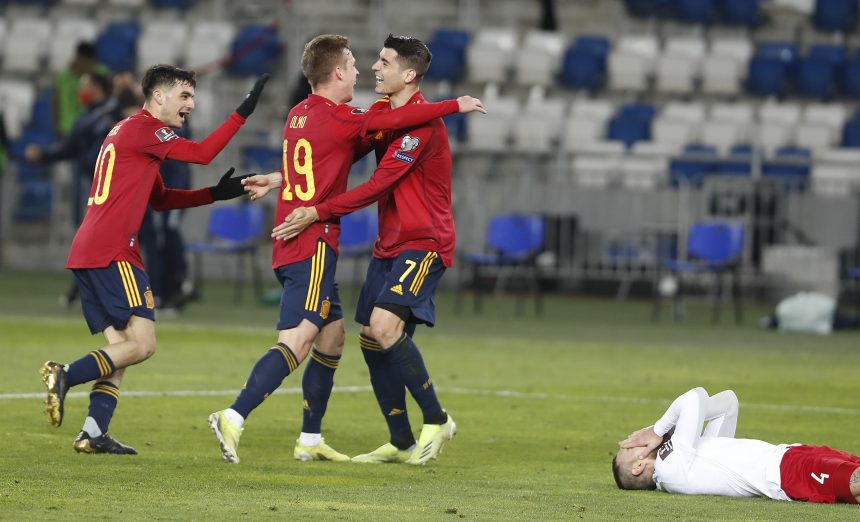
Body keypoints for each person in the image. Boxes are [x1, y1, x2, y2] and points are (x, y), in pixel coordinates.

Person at [207, 34, 484, 465]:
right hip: (379, 244)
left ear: (407, 75)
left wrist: (314, 208)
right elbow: (332, 154)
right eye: (363, 61)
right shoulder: (370, 115)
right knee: (354, 337)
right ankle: (383, 440)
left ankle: (437, 419)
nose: (371, 67)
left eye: (383, 61)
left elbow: (373, 182)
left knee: (363, 330)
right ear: (337, 71)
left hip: (422, 240)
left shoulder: (412, 126)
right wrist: (287, 183)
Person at [39, 65, 269, 454]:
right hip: (114, 252)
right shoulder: (146, 128)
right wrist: (243, 110)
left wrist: (215, 194)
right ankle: (65, 374)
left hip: (89, 250)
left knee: (122, 350)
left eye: (192, 97)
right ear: (158, 96)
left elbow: (160, 200)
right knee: (143, 344)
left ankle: (93, 433)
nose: (190, 105)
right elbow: (203, 152)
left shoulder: (129, 133)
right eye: (185, 96)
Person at [612, 387, 860, 504]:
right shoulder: (670, 468)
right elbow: (694, 397)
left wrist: (669, 429)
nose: (637, 438)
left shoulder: (688, 457)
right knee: (852, 479)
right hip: (786, 474)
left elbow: (728, 402)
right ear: (638, 467)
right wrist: (657, 430)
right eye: (630, 446)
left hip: (790, 456)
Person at [26, 71, 118, 306]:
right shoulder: (88, 116)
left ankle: (96, 290)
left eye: (85, 86)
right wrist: (44, 155)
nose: (81, 92)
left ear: (97, 87)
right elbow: (70, 148)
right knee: (91, 240)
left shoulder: (112, 112)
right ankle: (86, 289)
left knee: (102, 240)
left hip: (109, 187)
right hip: (89, 184)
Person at [54, 42, 110, 137]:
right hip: (67, 129)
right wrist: (57, 126)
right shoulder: (64, 76)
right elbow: (56, 101)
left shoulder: (101, 72)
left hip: (92, 129)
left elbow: (109, 99)